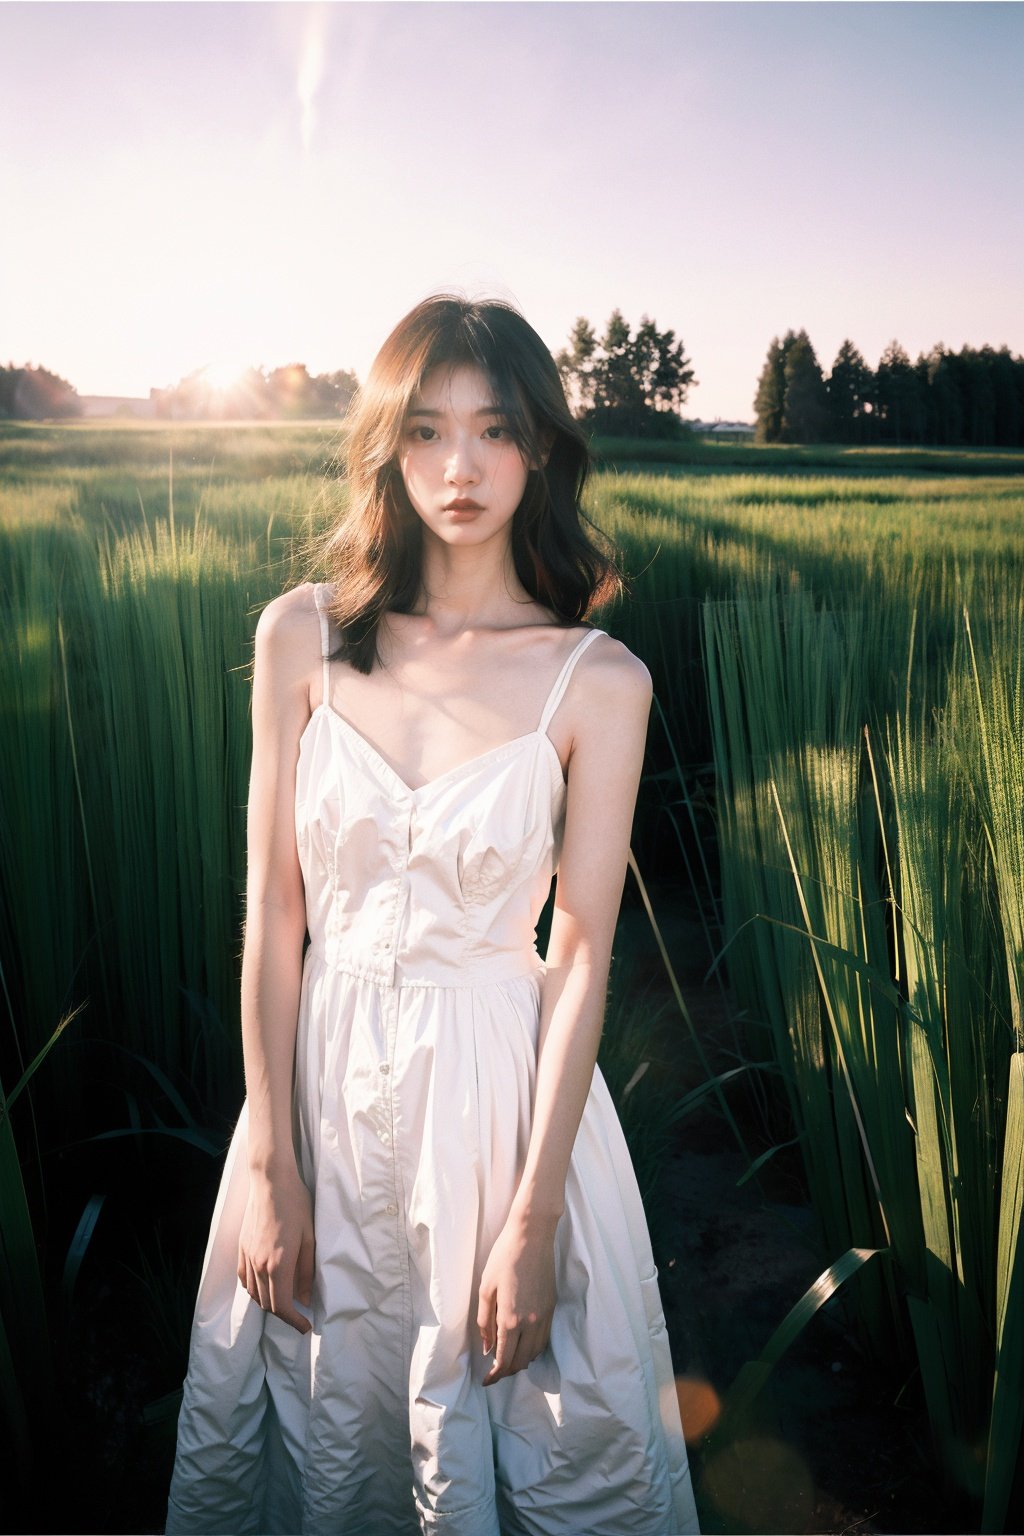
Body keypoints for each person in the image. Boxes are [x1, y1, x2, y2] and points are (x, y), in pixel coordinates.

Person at [165, 294, 699, 1536]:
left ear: (541, 451)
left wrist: (535, 1215)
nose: (459, 468)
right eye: (425, 432)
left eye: (494, 431)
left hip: (496, 1106)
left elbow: (577, 959)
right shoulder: (303, 635)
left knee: (525, 1443)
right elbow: (275, 918)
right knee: (326, 1426)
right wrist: (268, 1159)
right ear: (385, 450)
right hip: (319, 1096)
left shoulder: (598, 679)